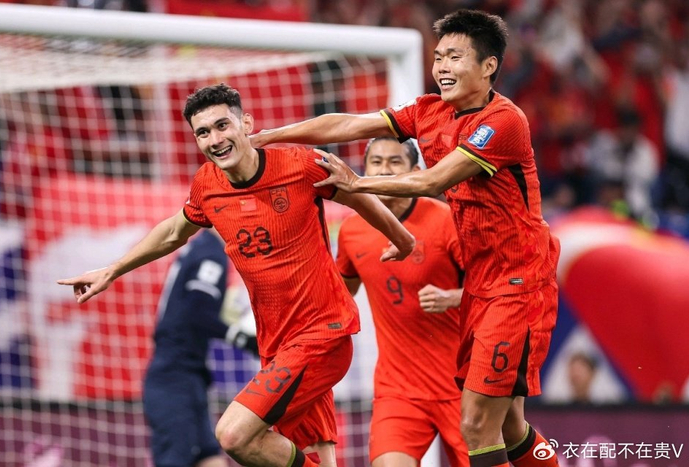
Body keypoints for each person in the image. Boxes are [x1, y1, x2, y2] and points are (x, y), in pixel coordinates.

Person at [252, 9, 561, 467]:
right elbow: (349, 125)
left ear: (488, 65)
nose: (442, 67)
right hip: (481, 288)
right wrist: (270, 137)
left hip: (518, 283)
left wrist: (357, 183)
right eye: (438, 57)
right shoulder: (429, 111)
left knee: (477, 423)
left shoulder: (503, 121)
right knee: (510, 425)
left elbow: (433, 181)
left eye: (455, 57)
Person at [58, 83, 415, 467]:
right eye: (203, 132)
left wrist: (402, 239)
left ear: (246, 123)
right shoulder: (207, 185)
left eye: (222, 125)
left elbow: (357, 196)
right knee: (313, 452)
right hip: (276, 347)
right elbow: (174, 231)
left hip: (322, 335)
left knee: (234, 434)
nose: (215, 139)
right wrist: (113, 270)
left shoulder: (300, 165)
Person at [335, 137, 469, 467]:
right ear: (364, 171)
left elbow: (493, 289)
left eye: (395, 162)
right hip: (398, 390)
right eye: (376, 162)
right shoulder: (352, 231)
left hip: (463, 385)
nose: (384, 170)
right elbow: (340, 296)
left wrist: (452, 297)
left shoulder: (445, 219)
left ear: (416, 171)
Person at [143, 228, 258, 467]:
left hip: (188, 373)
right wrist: (244, 339)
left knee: (209, 458)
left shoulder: (201, 247)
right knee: (176, 460)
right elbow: (198, 311)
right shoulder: (210, 253)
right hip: (174, 377)